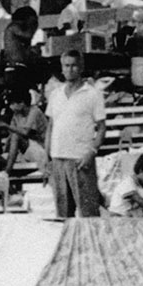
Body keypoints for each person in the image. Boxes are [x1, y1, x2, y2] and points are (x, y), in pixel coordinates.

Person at [45, 50, 107, 217]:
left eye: (74, 66)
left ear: (81, 68)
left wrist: (91, 152)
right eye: (67, 65)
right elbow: (51, 126)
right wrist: (47, 159)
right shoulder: (55, 94)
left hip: (80, 159)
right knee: (63, 213)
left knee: (88, 213)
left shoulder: (93, 94)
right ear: (62, 68)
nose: (70, 69)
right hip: (58, 158)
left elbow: (101, 127)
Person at [2, 88, 49, 173]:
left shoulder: (35, 111)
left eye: (13, 103)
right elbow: (12, 134)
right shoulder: (16, 115)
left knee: (16, 136)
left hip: (42, 149)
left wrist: (6, 126)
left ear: (22, 103)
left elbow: (25, 132)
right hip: (28, 151)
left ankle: (7, 171)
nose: (11, 107)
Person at [108, 153, 143, 217]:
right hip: (117, 218)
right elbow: (140, 201)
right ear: (141, 171)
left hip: (132, 220)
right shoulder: (128, 183)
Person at [2, 6, 40, 92]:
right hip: (14, 67)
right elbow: (28, 35)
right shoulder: (13, 27)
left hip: (21, 66)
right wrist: (33, 25)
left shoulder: (20, 29)